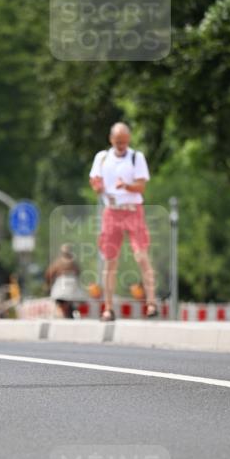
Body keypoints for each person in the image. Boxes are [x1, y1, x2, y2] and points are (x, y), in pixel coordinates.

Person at [89, 122, 158, 322]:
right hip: (111, 211)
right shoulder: (102, 158)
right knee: (110, 261)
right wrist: (97, 185)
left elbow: (141, 186)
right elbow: (95, 182)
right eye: (118, 142)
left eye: (125, 142)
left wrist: (126, 186)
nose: (121, 146)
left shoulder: (136, 157)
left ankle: (151, 303)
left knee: (141, 257)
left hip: (133, 211)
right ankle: (108, 308)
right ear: (112, 140)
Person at [45, 243, 82, 319]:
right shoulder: (74, 263)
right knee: (67, 299)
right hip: (71, 284)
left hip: (62, 284)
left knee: (60, 298)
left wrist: (48, 284)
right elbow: (78, 272)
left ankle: (63, 312)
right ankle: (65, 312)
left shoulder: (58, 262)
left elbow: (49, 273)